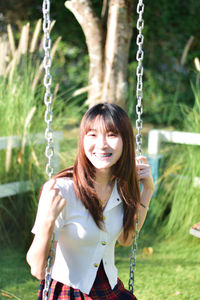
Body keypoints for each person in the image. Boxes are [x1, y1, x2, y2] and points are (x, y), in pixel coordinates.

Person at [26, 103, 155, 300]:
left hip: (108, 287)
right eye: (92, 135)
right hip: (69, 291)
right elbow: (37, 269)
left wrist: (148, 190)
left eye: (112, 135)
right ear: (83, 140)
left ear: (125, 141)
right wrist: (46, 222)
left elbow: (126, 239)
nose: (102, 144)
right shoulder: (61, 190)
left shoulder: (122, 187)